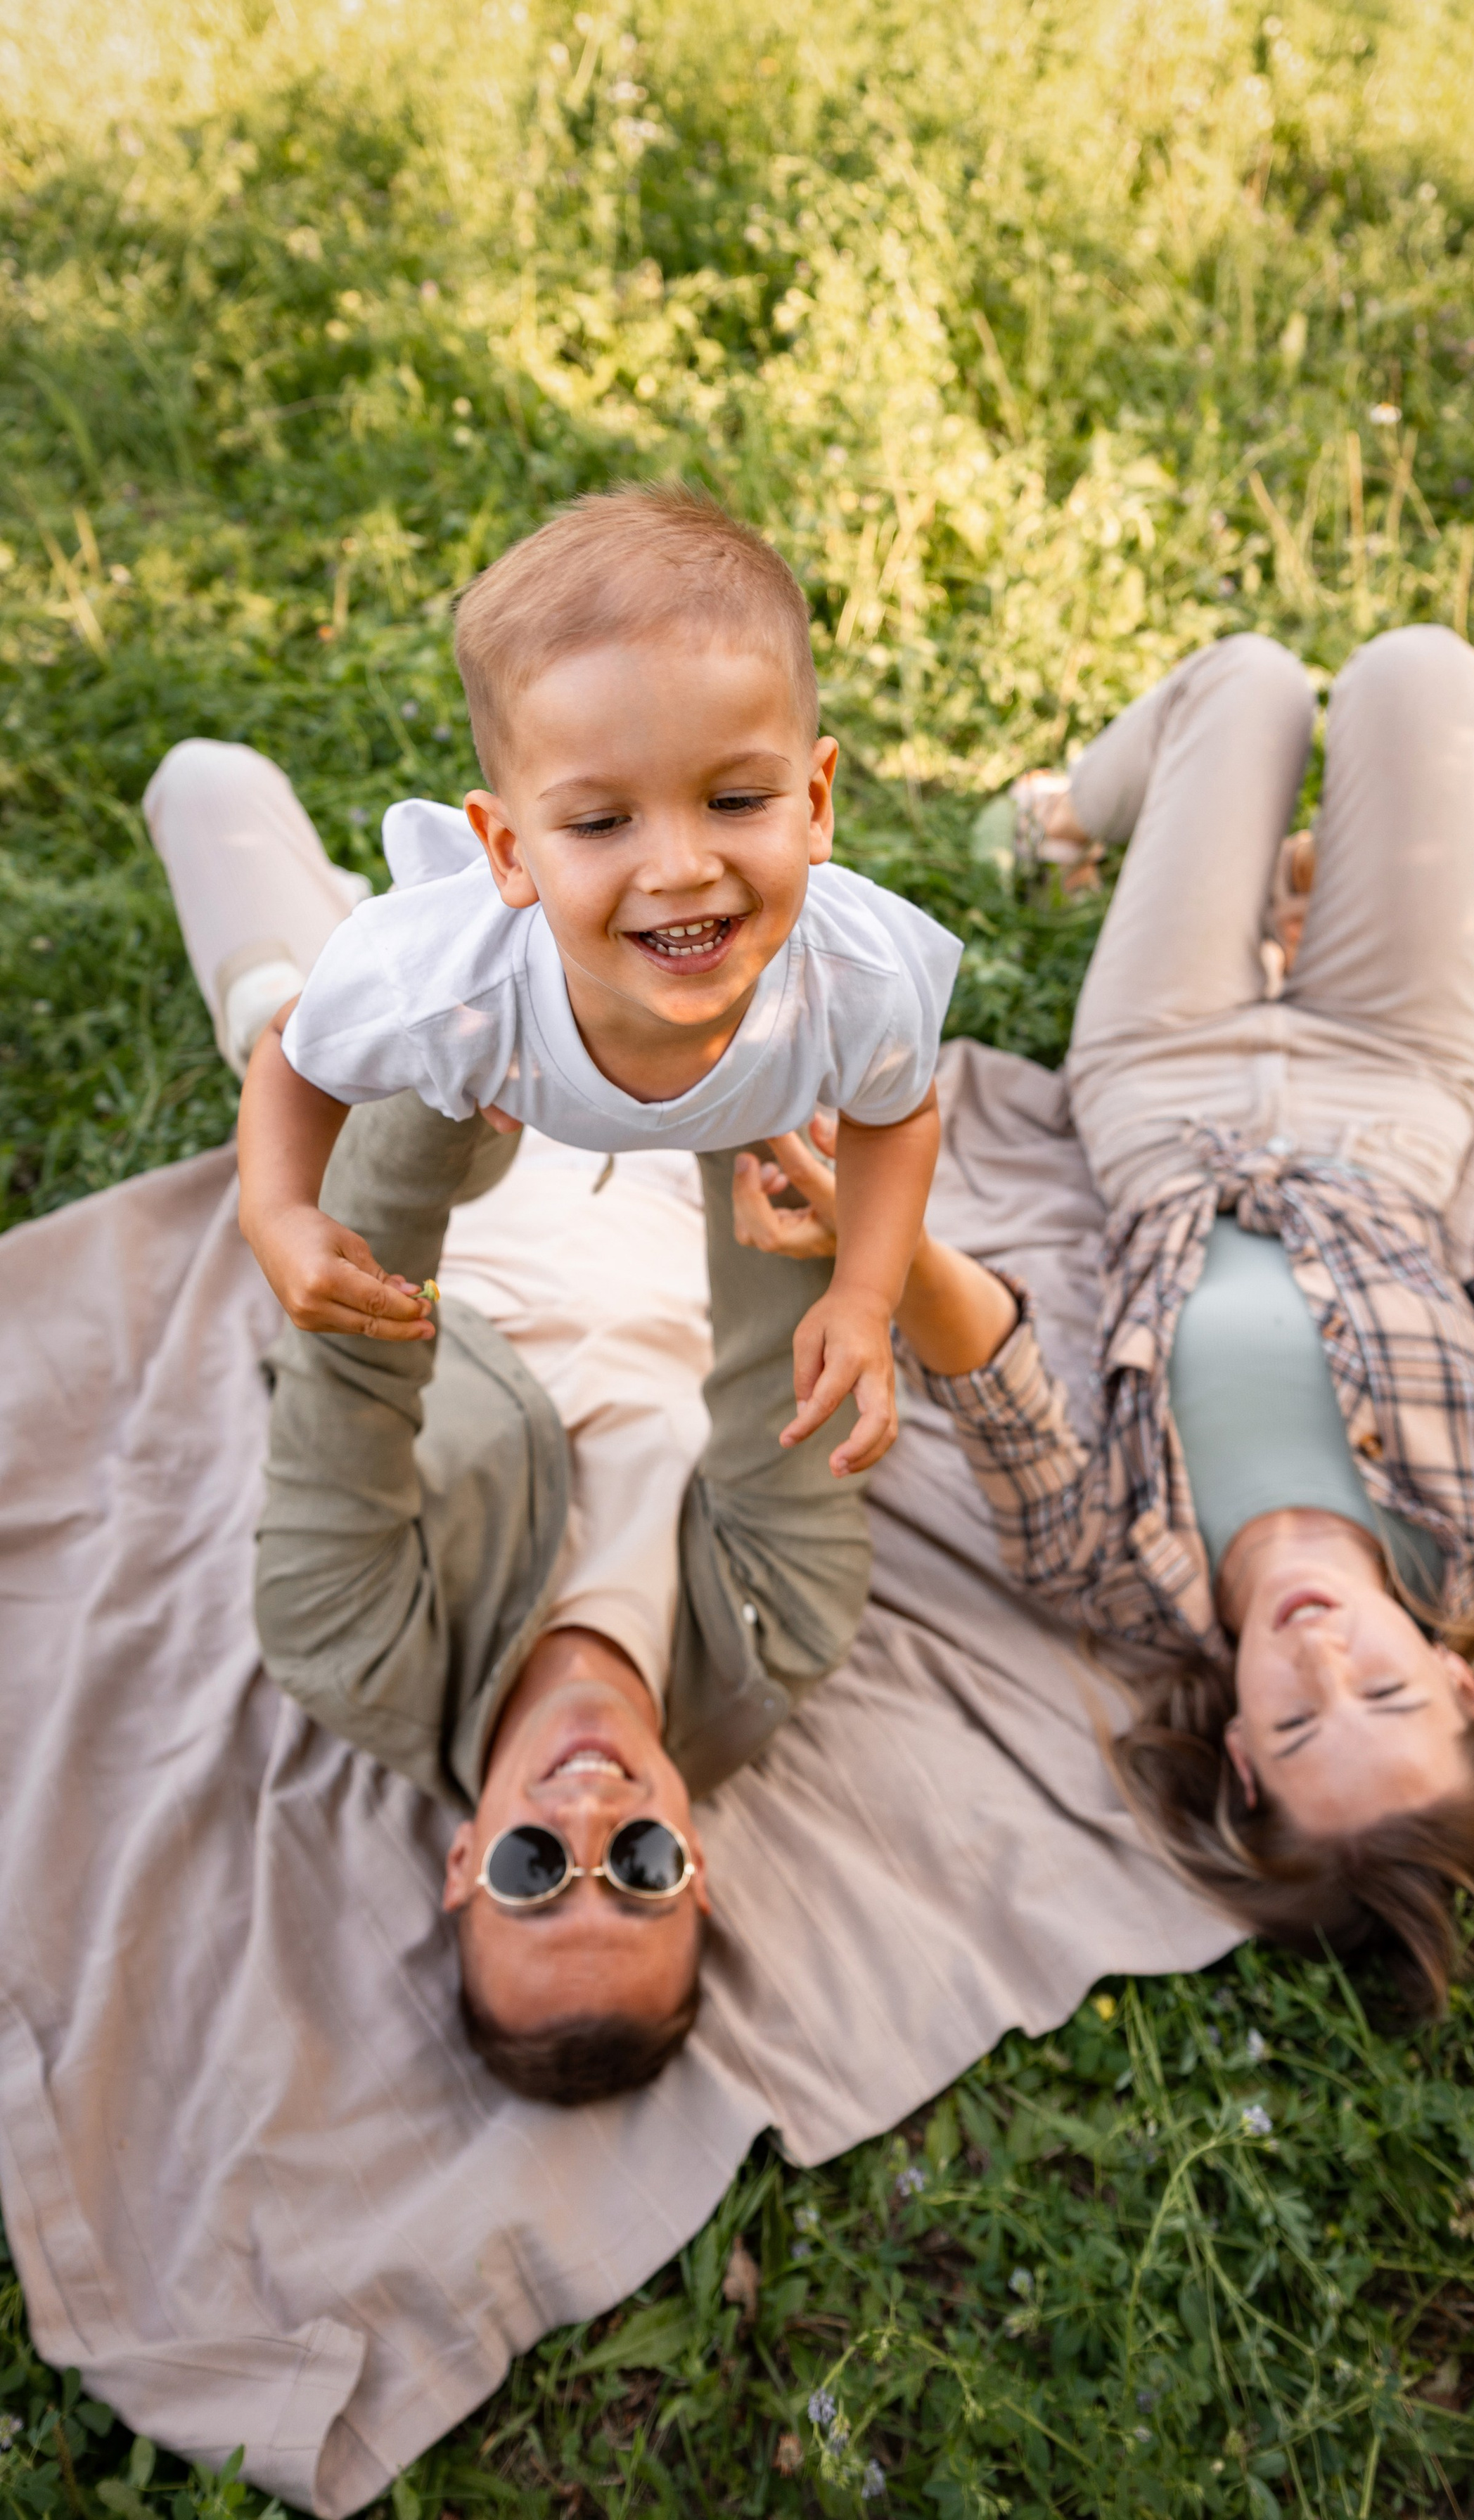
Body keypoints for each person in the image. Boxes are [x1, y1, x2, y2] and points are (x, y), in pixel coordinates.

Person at [732, 626, 1474, 2011]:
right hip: (1393, 1097)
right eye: (1386, 1696)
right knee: (1422, 675)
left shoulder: (1114, 1576)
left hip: (1158, 1095)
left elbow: (990, 1373)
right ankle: (1273, 892)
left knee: (1251, 682)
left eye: (1293, 1719)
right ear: (1462, 1691)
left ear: (1236, 1749)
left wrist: (873, 1230)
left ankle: (1053, 820)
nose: (1320, 1655)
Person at [143, 733, 878, 2106]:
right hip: (659, 1159)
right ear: (696, 1865)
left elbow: (356, 1357)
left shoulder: (348, 1653)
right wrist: (716, 1057)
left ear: (461, 1860)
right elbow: (781, 1335)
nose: (588, 1817)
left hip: (436, 1178)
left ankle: (318, 982)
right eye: (640, 1874)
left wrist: (442, 1062)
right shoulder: (778, 1643)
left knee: (208, 784)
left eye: (534, 1876)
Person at [234, 484, 960, 1483]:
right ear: (510, 848)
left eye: (736, 800)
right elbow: (293, 1056)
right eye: (601, 822)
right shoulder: (439, 987)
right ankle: (233, 824)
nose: (679, 868)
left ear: (817, 801)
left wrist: (865, 1297)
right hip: (477, 1077)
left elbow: (899, 1116)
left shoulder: (858, 981)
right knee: (305, 1016)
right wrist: (274, 1212)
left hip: (560, 1072)